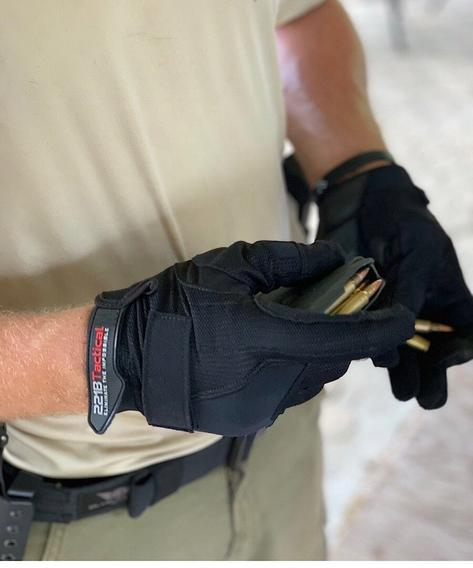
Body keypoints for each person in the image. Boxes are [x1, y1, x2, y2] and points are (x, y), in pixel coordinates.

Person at [0, 0, 471, 561]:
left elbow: (302, 17)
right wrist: (117, 354)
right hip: (80, 513)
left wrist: (356, 171)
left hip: (283, 443)